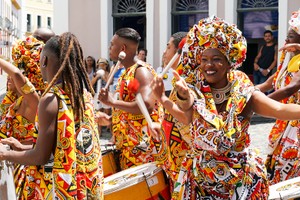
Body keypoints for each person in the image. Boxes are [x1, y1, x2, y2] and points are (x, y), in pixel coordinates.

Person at [151, 16, 300, 199]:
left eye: (216, 59)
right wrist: (164, 98)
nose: (208, 65)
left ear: (230, 61)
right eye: (204, 59)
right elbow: (187, 116)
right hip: (200, 182)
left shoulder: (243, 92)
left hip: (239, 184)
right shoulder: (195, 88)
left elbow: (278, 110)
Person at [0, 32, 103, 199]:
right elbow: (60, 146)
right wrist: (22, 147)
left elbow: (41, 156)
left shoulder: (51, 99)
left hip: (62, 190)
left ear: (44, 61)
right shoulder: (83, 95)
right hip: (85, 187)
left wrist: (4, 154)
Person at [98, 27, 165, 170]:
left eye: (112, 45)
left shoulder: (141, 71)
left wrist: (112, 102)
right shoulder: (125, 72)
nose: (109, 48)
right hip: (129, 150)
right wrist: (110, 120)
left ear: (122, 48)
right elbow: (130, 111)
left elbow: (147, 105)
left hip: (143, 152)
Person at [257, 10, 300, 185]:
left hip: (296, 122)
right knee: (278, 162)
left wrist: (258, 103)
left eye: (291, 36)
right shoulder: (289, 59)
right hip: (285, 120)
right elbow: (270, 82)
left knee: (289, 162)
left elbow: (291, 88)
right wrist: (247, 90)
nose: (286, 40)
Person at [0, 35, 45, 199]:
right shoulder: (13, 100)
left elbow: (18, 75)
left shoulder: (34, 102)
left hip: (22, 170)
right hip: (8, 165)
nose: (9, 76)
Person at [156, 32, 187, 97]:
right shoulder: (176, 77)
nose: (164, 52)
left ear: (178, 51)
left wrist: (161, 97)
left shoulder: (186, 78)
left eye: (168, 47)